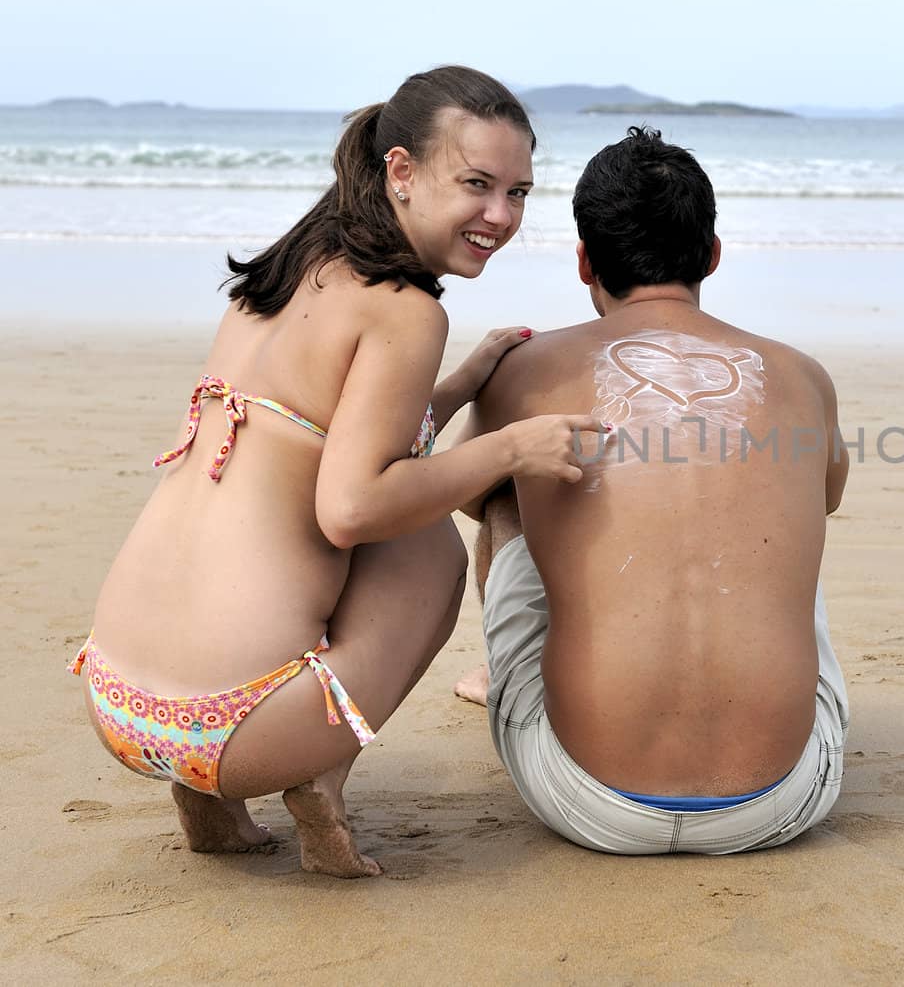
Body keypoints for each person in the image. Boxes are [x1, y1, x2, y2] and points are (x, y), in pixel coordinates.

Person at [75, 66, 605, 878]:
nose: (500, 215)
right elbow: (352, 505)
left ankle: (209, 803)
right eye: (476, 184)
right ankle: (315, 769)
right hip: (236, 727)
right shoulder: (405, 308)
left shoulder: (290, 270)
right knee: (428, 548)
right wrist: (509, 446)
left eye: (519, 193)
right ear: (400, 170)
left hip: (115, 699)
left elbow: (334, 433)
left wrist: (463, 381)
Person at [455, 126, 849, 854]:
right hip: (784, 798)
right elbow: (826, 498)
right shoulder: (800, 374)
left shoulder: (525, 368)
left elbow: (469, 496)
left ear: (584, 262)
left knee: (508, 490)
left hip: (589, 799)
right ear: (712, 255)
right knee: (783, 516)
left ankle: (513, 673)